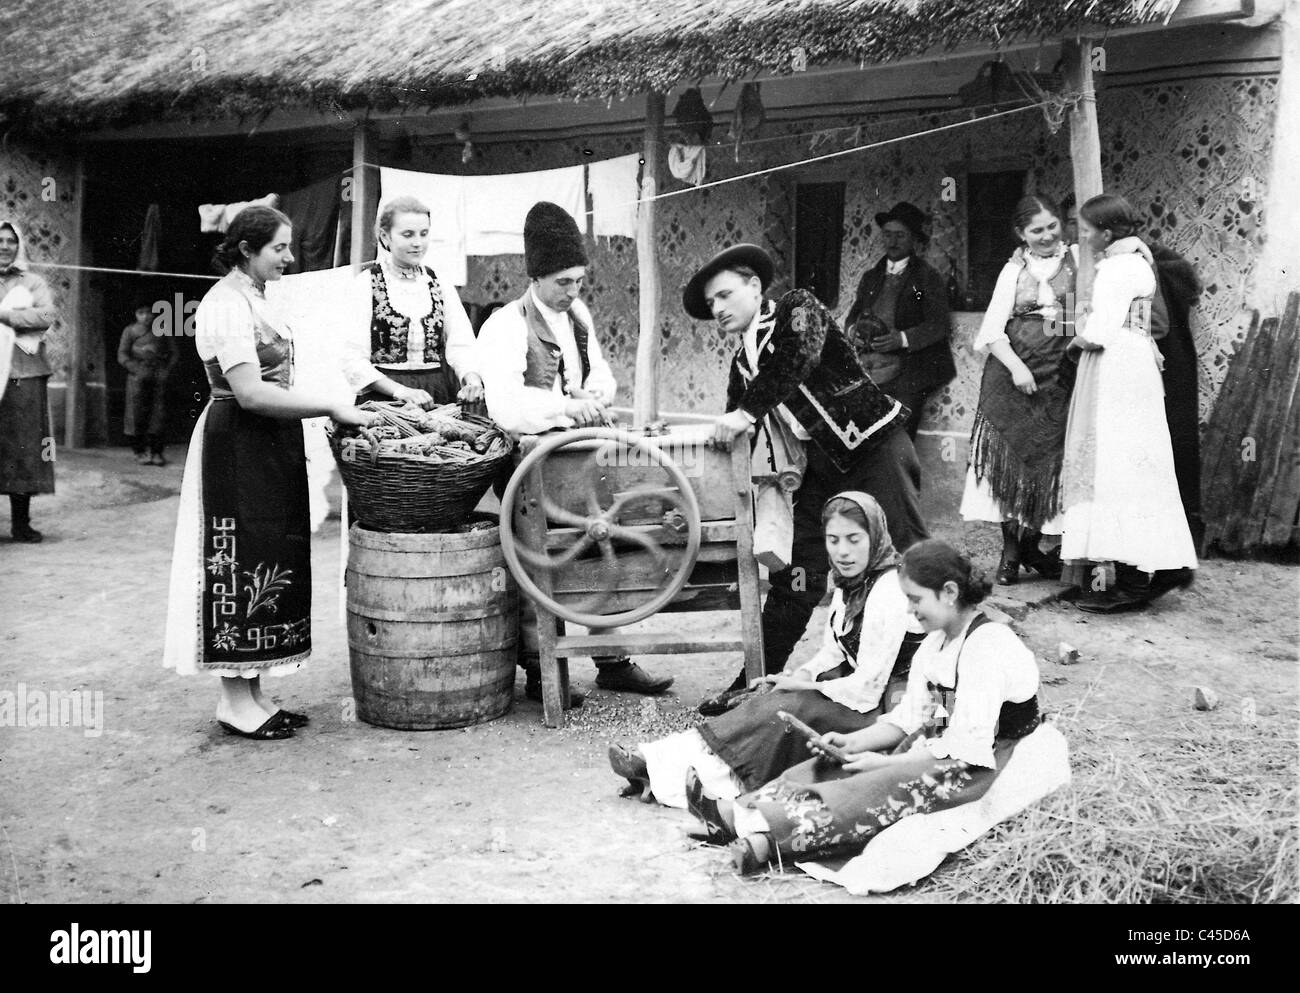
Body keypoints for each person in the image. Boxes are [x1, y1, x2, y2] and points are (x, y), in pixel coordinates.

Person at [684, 539, 1070, 884]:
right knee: (837, 764)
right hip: (944, 741)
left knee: (881, 783)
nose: (910, 610)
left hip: (994, 756)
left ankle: (767, 841)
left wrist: (885, 765)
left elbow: (967, 746)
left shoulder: (988, 646)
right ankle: (740, 816)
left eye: (916, 599)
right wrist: (854, 742)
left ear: (949, 592)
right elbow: (911, 719)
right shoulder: (935, 644)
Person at [162, 206, 378, 739]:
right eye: (279, 248)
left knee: (270, 554)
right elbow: (252, 393)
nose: (289, 257)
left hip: (269, 441)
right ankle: (233, 699)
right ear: (245, 249)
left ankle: (253, 693)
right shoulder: (223, 306)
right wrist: (331, 405)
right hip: (235, 443)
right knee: (238, 561)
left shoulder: (258, 300)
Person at [686, 243, 928, 707]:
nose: (717, 309)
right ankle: (755, 681)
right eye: (711, 303)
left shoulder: (798, 309)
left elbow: (799, 358)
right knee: (796, 575)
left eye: (724, 295)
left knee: (907, 555)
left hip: (874, 450)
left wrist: (746, 412)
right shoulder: (743, 363)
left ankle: (936, 668)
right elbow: (738, 422)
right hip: (816, 472)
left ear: (755, 287)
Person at [608, 492, 925, 812]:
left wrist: (805, 687)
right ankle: (657, 765)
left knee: (788, 709)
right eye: (833, 540)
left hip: (888, 707)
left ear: (876, 536)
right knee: (767, 695)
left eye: (854, 539)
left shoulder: (888, 592)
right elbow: (832, 654)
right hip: (858, 694)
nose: (843, 551)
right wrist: (799, 675)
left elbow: (868, 686)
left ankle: (686, 781)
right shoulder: (849, 584)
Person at [478, 200, 672, 703]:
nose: (573, 291)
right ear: (537, 277)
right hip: (529, 467)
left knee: (604, 548)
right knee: (542, 562)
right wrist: (567, 407)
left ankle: (611, 660)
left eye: (579, 280)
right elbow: (506, 406)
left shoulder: (578, 316)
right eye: (563, 282)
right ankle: (543, 669)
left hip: (581, 462)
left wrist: (593, 397)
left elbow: (602, 375)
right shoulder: (505, 325)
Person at [1060, 194, 1198, 613]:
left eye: (1086, 229)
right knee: (1141, 463)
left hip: (1116, 366)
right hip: (1136, 364)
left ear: (1106, 232)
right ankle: (1158, 564)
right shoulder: (1138, 260)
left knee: (1118, 466)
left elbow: (1100, 329)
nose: (1081, 235)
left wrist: (1074, 344)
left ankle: (1137, 579)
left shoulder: (1117, 268)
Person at [960, 195, 1075, 584]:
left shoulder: (1077, 261)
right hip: (1013, 371)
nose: (1047, 236)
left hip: (1059, 372)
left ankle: (1037, 545)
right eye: (1036, 230)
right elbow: (992, 331)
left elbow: (1076, 317)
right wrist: (1018, 369)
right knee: (1010, 460)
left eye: (1052, 226)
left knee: (1050, 459)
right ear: (1021, 234)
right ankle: (1010, 552)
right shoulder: (1013, 271)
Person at [340, 195, 484, 409]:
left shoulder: (439, 283)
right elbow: (352, 357)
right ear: (385, 236)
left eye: (423, 234)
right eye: (407, 235)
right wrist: (401, 391)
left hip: (435, 396)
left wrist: (471, 379)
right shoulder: (367, 283)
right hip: (384, 400)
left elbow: (461, 344)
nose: (417, 243)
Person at [842, 202, 955, 439]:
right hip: (872, 365)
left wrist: (901, 339)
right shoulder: (872, 277)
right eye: (888, 235)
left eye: (900, 236)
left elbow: (938, 324)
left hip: (911, 369)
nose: (892, 242)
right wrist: (853, 330)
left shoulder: (922, 280)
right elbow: (855, 313)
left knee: (897, 434)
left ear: (914, 239)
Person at [0, 221, 58, 543]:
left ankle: (21, 523)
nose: (5, 246)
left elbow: (46, 317)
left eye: (11, 241)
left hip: (25, 373)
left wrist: (5, 316)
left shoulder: (33, 282)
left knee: (22, 448)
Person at [117, 302, 179, 465]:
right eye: (141, 312)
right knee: (136, 414)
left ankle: (157, 452)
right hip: (137, 377)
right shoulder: (130, 331)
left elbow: (173, 353)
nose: (145, 316)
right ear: (136, 314)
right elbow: (122, 355)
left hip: (157, 375)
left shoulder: (162, 329)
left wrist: (165, 371)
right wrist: (135, 369)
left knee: (157, 414)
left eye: (149, 312)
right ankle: (139, 451)